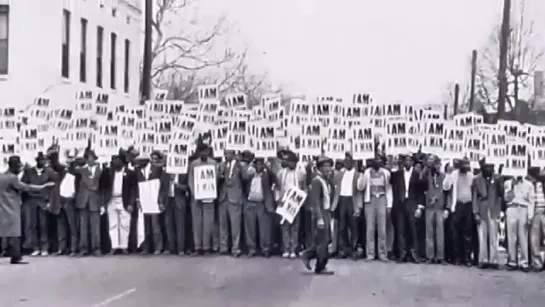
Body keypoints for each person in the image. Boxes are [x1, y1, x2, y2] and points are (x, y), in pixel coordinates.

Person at [0, 156, 55, 264]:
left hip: (2, 207)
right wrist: (43, 186)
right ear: (14, 166)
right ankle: (16, 257)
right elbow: (26, 187)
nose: (20, 168)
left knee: (4, 232)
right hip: (12, 208)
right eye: (18, 166)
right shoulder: (12, 178)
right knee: (15, 232)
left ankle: (6, 252)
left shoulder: (1, 176)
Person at [302, 155, 334, 274]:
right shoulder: (317, 181)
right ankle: (320, 266)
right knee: (322, 242)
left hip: (326, 212)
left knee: (327, 239)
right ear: (320, 168)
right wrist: (319, 218)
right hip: (319, 213)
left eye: (329, 166)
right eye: (325, 166)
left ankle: (308, 254)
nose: (328, 168)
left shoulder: (326, 180)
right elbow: (315, 201)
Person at [21, 152, 57, 256]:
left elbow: (52, 187)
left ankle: (44, 247)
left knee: (43, 224)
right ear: (37, 161)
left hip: (43, 201)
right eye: (41, 160)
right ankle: (35, 247)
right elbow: (24, 184)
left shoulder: (49, 172)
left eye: (44, 160)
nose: (43, 162)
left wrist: (50, 201)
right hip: (30, 200)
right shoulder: (29, 171)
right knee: (32, 224)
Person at [357, 155, 392, 261]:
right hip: (370, 200)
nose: (377, 162)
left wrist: (389, 204)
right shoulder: (367, 172)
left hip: (382, 199)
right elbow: (360, 187)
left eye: (379, 160)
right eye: (375, 160)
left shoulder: (386, 173)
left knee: (382, 229)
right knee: (370, 229)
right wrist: (362, 174)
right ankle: (370, 254)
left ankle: (382, 254)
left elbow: (389, 189)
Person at [391, 154, 424, 263]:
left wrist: (420, 207)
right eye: (406, 160)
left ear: (413, 163)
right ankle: (402, 253)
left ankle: (414, 253)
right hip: (400, 204)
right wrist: (394, 167)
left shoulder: (417, 174)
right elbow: (391, 182)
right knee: (401, 229)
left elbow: (421, 192)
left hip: (412, 203)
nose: (408, 162)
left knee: (413, 229)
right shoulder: (398, 173)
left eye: (410, 160)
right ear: (403, 162)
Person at [135, 151, 169, 255]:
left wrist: (161, 200)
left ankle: (158, 247)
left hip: (154, 200)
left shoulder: (157, 169)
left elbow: (162, 185)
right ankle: (147, 248)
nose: (138, 163)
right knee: (146, 226)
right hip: (144, 200)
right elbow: (137, 186)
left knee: (155, 226)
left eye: (141, 161)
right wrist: (138, 200)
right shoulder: (138, 170)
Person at [103, 154, 137, 255]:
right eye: (114, 160)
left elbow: (133, 190)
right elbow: (103, 188)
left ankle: (124, 246)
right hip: (112, 200)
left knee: (125, 224)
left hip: (124, 200)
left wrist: (131, 203)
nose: (115, 162)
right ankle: (114, 246)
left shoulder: (130, 173)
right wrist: (104, 202)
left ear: (123, 162)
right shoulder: (108, 173)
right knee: (112, 224)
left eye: (118, 160)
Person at [275, 149, 307, 258]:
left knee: (294, 227)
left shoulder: (299, 173)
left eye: (289, 161)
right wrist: (278, 199)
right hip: (285, 201)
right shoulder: (281, 173)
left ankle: (293, 248)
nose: (287, 163)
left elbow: (304, 181)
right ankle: (286, 248)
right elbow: (278, 187)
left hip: (295, 202)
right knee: (285, 226)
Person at [188, 143, 218, 255]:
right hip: (196, 197)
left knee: (208, 222)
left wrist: (211, 190)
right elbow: (190, 180)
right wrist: (195, 193)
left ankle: (207, 247)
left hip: (209, 196)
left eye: (206, 151)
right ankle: (198, 247)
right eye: (202, 152)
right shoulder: (194, 164)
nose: (204, 153)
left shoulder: (213, 163)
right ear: (199, 152)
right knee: (197, 222)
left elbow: (216, 178)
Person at [243, 157, 276, 257]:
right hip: (250, 202)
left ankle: (265, 249)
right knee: (250, 228)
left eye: (261, 164)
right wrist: (250, 170)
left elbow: (275, 179)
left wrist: (267, 168)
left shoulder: (267, 175)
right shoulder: (250, 174)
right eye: (257, 164)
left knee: (264, 228)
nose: (259, 166)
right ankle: (251, 249)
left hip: (262, 203)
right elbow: (243, 179)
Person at [443, 158, 474, 266]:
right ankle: (456, 257)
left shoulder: (471, 176)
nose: (466, 168)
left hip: (468, 205)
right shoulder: (453, 174)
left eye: (467, 165)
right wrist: (448, 174)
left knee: (467, 233)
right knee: (455, 233)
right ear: (460, 166)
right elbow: (445, 186)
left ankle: (466, 258)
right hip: (457, 205)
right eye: (464, 166)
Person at [472, 162, 503, 269]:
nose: (489, 169)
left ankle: (493, 260)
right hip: (482, 208)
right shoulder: (476, 179)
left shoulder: (497, 179)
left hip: (493, 208)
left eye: (491, 167)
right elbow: (474, 197)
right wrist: (475, 212)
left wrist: (499, 211)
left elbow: (500, 196)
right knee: (482, 236)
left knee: (494, 236)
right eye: (487, 167)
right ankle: (482, 259)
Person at [331, 152, 362, 259]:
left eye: (349, 161)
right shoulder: (339, 174)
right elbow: (334, 184)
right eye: (345, 161)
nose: (346, 163)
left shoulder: (358, 175)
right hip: (341, 200)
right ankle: (343, 250)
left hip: (352, 201)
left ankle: (353, 250)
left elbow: (360, 188)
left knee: (353, 227)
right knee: (341, 227)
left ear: (353, 162)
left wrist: (358, 207)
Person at [73, 150, 104, 257]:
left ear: (95, 159)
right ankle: (83, 248)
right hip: (83, 201)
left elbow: (103, 188)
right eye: (87, 158)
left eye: (92, 158)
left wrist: (102, 203)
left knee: (96, 227)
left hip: (95, 201)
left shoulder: (101, 171)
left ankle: (97, 248)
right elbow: (75, 183)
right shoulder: (81, 170)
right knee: (83, 226)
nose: (90, 160)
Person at [218, 149, 247, 257]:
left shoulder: (240, 165)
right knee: (223, 224)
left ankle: (235, 248)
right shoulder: (222, 165)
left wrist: (240, 165)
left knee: (235, 225)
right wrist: (220, 172)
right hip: (223, 197)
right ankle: (223, 247)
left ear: (233, 154)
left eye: (227, 153)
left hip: (234, 198)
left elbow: (245, 178)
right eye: (224, 153)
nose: (225, 155)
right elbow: (217, 179)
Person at [421, 154, 448, 264]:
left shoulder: (443, 176)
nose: (436, 166)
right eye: (434, 164)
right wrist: (428, 166)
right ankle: (430, 256)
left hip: (440, 207)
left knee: (440, 232)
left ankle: (440, 257)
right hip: (429, 206)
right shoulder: (427, 175)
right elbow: (421, 178)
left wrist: (445, 206)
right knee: (429, 232)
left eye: (438, 164)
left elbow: (446, 190)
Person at [51, 149, 79, 256]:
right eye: (68, 158)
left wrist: (73, 162)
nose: (69, 160)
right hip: (61, 200)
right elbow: (55, 164)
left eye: (71, 158)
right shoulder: (63, 170)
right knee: (61, 226)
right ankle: (61, 248)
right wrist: (54, 152)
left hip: (70, 200)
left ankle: (73, 249)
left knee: (72, 226)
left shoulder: (76, 171)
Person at [504, 172, 534, 272]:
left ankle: (524, 262)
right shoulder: (508, 183)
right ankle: (512, 261)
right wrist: (512, 186)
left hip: (523, 209)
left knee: (523, 237)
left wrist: (530, 215)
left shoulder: (529, 185)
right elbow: (506, 198)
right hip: (512, 207)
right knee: (512, 236)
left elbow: (531, 201)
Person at [164, 172, 189, 255]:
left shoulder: (183, 173)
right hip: (168, 201)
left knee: (180, 226)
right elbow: (162, 188)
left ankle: (181, 249)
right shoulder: (166, 173)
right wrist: (160, 201)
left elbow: (188, 187)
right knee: (168, 224)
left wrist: (178, 185)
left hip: (179, 201)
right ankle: (171, 248)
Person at [530, 167, 545, 272]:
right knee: (534, 238)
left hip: (544, 210)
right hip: (534, 211)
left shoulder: (543, 182)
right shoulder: (530, 184)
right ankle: (537, 263)